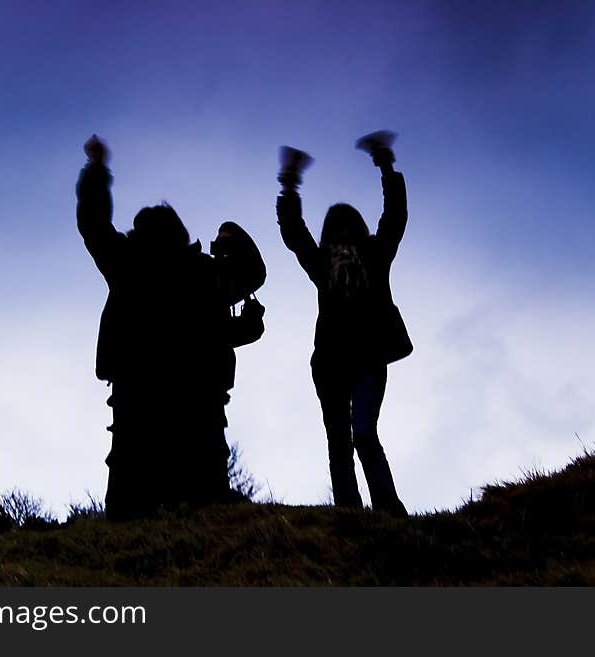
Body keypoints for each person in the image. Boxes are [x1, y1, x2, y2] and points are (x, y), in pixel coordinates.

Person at [76, 135, 264, 519]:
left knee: (131, 495)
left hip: (141, 394)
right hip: (194, 399)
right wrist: (248, 324)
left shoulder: (128, 263)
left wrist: (96, 170)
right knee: (203, 495)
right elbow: (222, 320)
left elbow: (93, 225)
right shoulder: (200, 272)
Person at [276, 132, 411, 517]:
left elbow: (395, 217)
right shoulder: (324, 263)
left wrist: (386, 165)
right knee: (343, 439)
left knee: (362, 435)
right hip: (334, 361)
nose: (339, 232)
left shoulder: (373, 254)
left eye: (342, 225)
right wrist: (288, 185)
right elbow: (294, 234)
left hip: (365, 359)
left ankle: (385, 508)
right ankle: (352, 514)